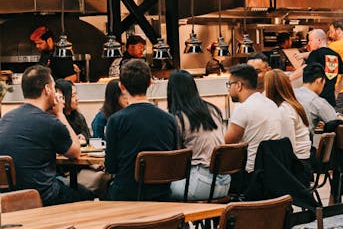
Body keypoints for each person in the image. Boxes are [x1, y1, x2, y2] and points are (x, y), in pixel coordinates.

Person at [0, 64, 92, 204]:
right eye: (54, 87)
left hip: (9, 198)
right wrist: (60, 114)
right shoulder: (49, 122)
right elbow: (75, 152)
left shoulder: (6, 118)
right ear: (47, 89)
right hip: (43, 196)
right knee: (86, 195)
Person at [104, 59, 179, 200]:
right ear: (150, 83)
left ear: (121, 86)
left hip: (126, 195)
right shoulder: (169, 119)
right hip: (162, 196)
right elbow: (174, 162)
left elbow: (111, 167)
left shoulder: (115, 120)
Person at [167, 69, 230, 200]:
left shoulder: (179, 118)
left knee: (158, 189)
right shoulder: (213, 110)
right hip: (224, 183)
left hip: (199, 185)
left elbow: (175, 156)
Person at [225, 63, 282, 173]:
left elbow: (227, 143)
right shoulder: (271, 104)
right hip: (274, 170)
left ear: (238, 85)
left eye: (229, 84)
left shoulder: (243, 108)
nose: (229, 89)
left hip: (251, 173)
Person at [264, 69, 312, 163]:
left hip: (298, 163)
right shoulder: (292, 106)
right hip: (301, 159)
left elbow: (288, 146)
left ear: (270, 89)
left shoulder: (284, 110)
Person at [297, 29, 343, 109]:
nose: (309, 43)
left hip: (316, 101)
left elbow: (304, 69)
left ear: (319, 40)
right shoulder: (335, 55)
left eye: (310, 40)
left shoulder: (315, 54)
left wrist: (289, 78)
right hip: (330, 100)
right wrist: (336, 91)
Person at [295, 64, 338, 131]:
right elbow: (334, 122)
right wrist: (340, 117)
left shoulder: (291, 93)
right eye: (324, 83)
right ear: (319, 80)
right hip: (306, 136)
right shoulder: (316, 101)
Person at [55, 79, 91, 144]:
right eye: (73, 96)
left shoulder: (79, 117)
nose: (77, 99)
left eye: (76, 94)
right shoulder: (55, 118)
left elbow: (88, 136)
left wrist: (83, 136)